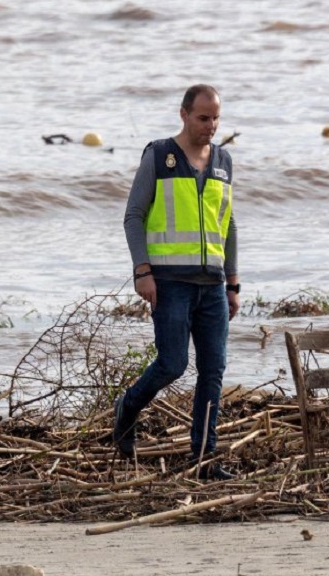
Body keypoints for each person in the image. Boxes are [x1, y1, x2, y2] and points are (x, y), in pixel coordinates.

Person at [115, 84, 240, 480]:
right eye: (204, 118)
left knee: (213, 370)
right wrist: (142, 271)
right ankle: (128, 407)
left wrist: (233, 282)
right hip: (169, 282)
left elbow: (228, 223)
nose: (211, 126)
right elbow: (134, 215)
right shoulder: (159, 156)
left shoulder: (223, 161)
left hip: (213, 285)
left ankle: (204, 458)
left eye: (216, 118)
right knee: (172, 364)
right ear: (184, 114)